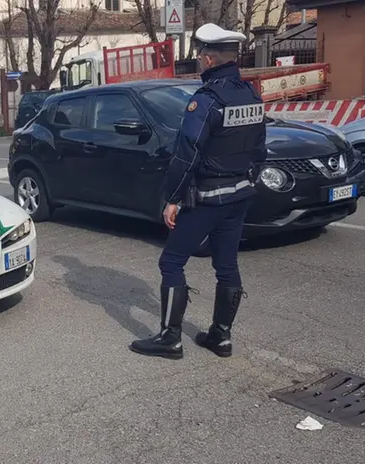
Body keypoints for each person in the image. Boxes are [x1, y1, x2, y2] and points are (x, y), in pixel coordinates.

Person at [129, 23, 267, 360]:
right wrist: (248, 178)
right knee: (227, 265)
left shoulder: (206, 101)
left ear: (206, 58)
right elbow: (260, 148)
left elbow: (186, 152)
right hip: (240, 195)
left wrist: (172, 198)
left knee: (172, 261)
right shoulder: (250, 95)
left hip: (208, 197)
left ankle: (170, 338)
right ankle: (221, 336)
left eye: (200, 56)